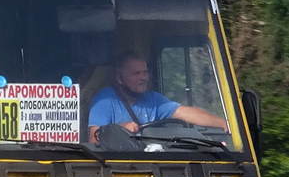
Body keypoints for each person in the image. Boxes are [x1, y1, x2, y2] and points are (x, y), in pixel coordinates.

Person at [88, 52, 228, 143]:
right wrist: (119, 129)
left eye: (145, 72)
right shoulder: (104, 100)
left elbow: (186, 112)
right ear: (120, 78)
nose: (143, 77)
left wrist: (223, 123)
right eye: (136, 73)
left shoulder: (153, 99)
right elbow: (94, 139)